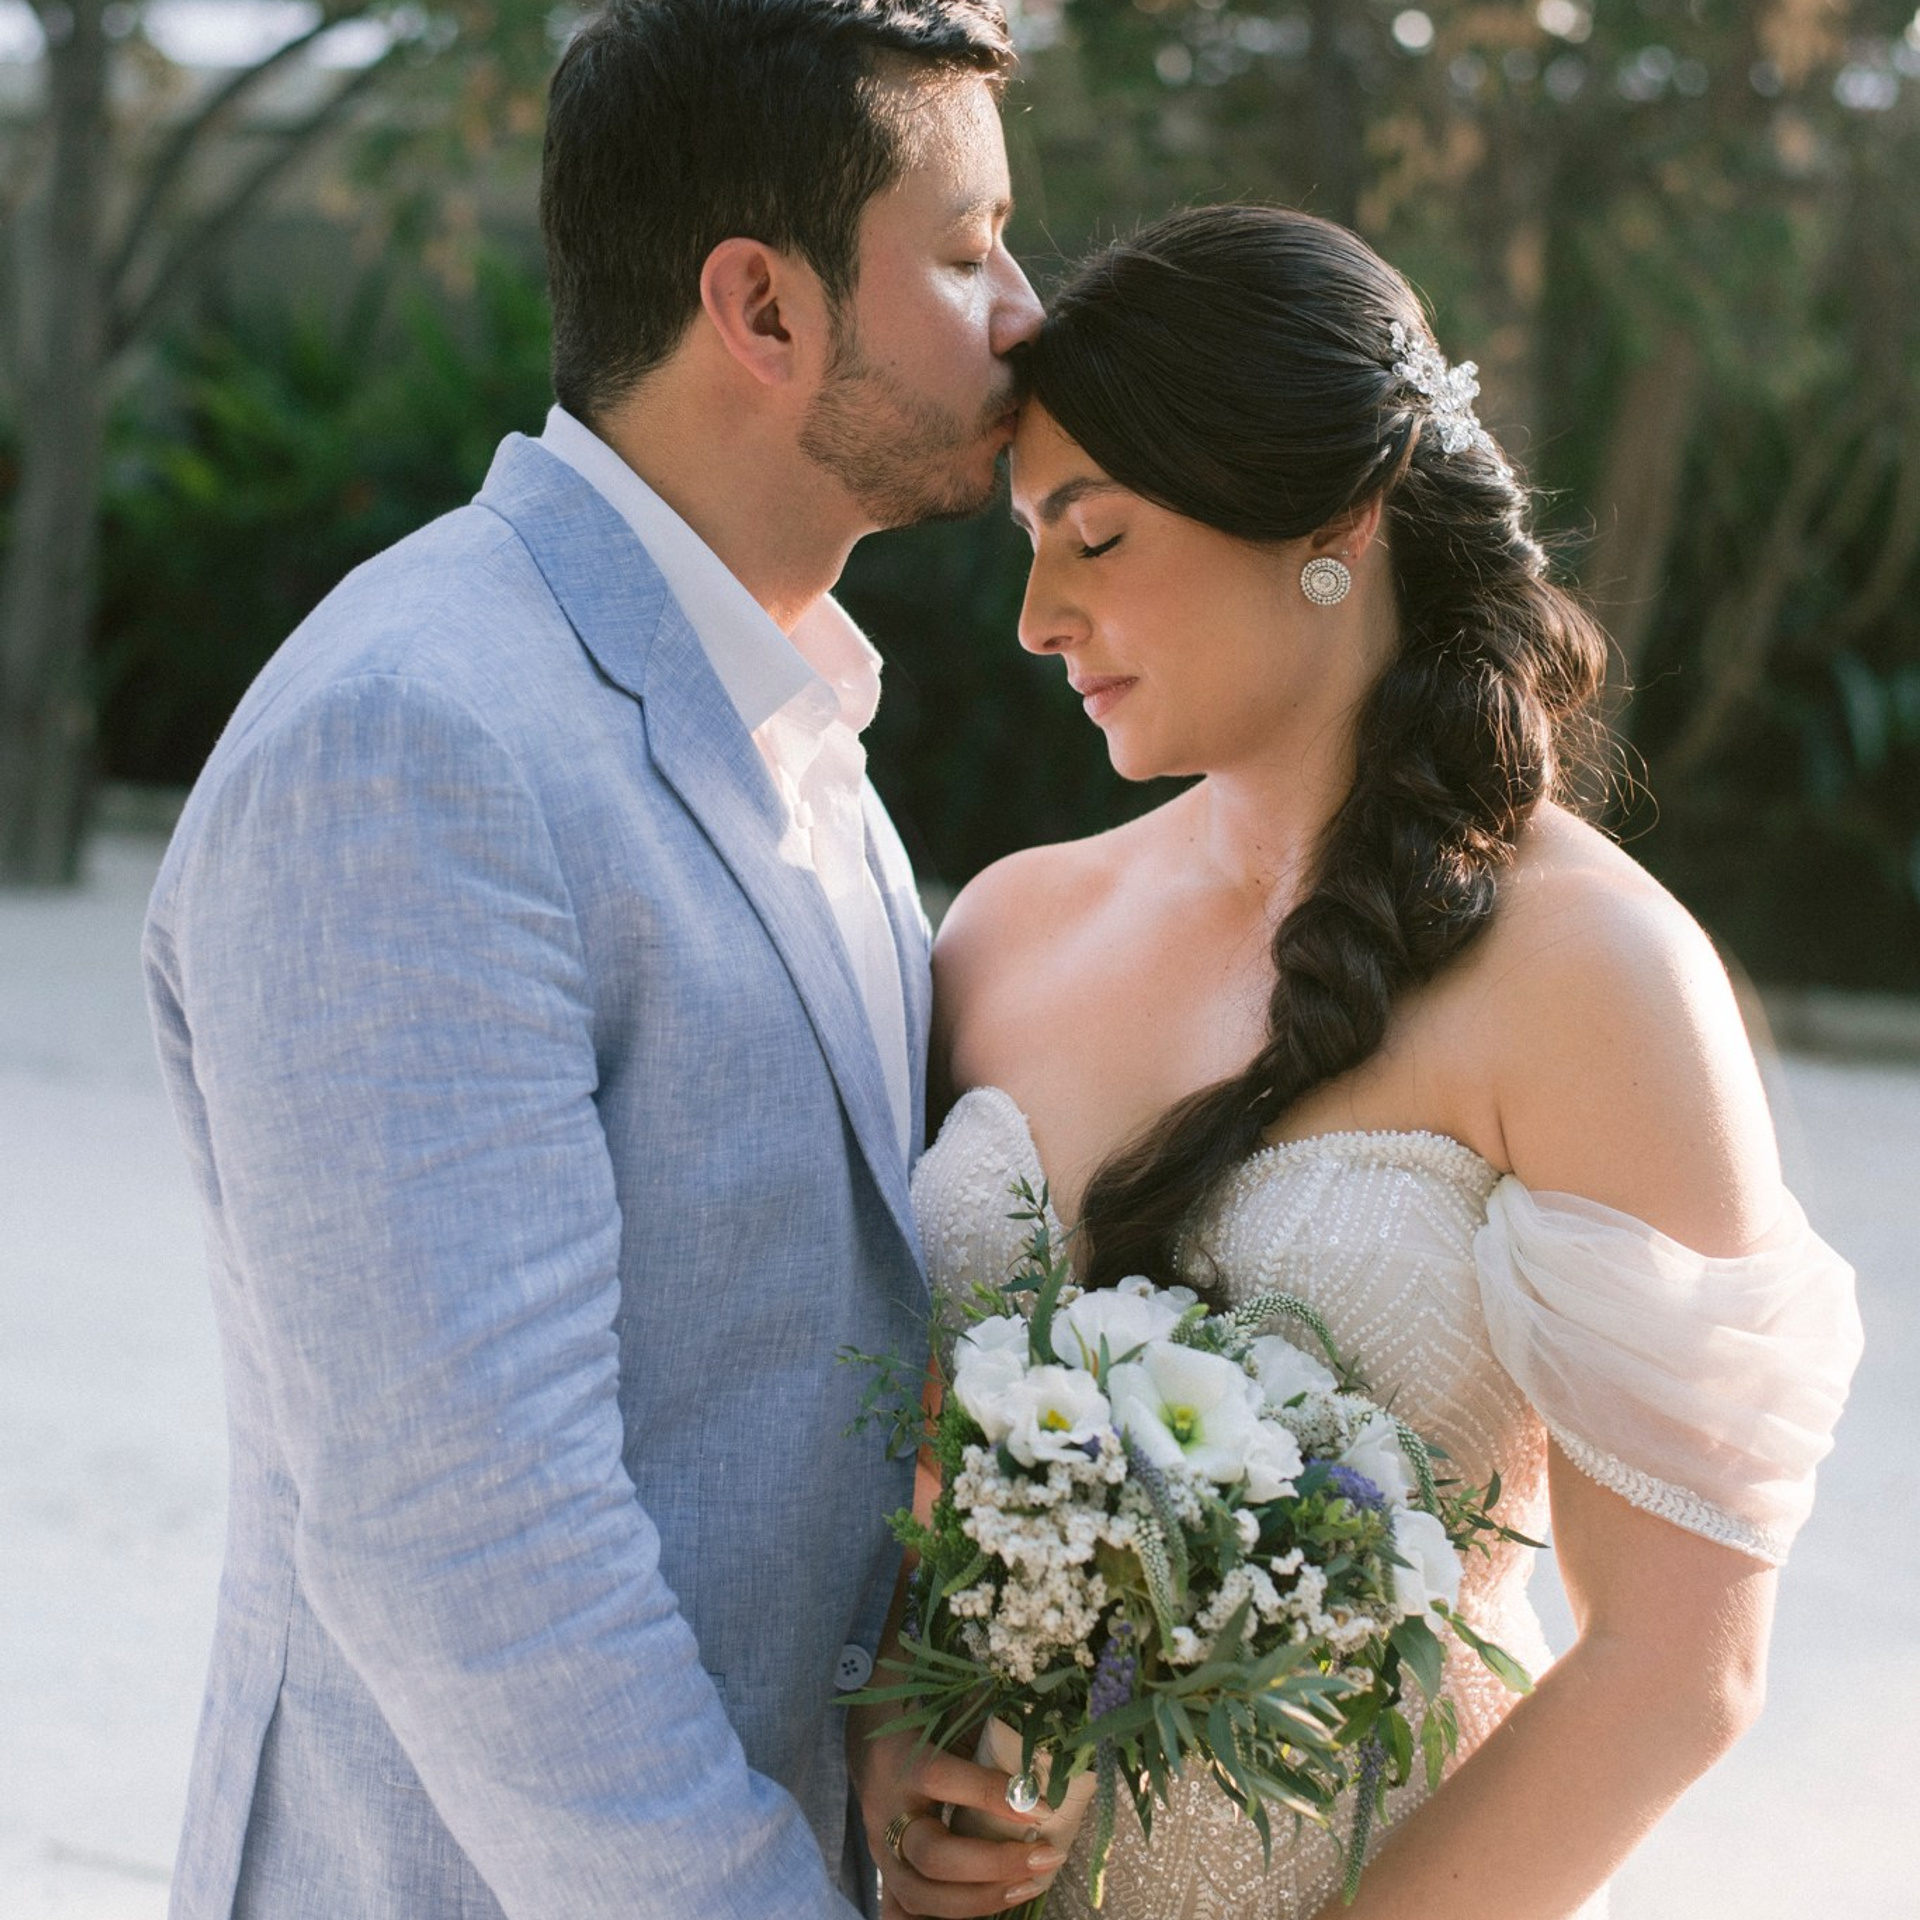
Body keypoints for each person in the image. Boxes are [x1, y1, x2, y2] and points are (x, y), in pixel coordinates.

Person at [140, 2, 1049, 1915]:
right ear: (764, 308)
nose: (1025, 310)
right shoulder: (414, 736)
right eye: (966, 254)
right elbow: (469, 1531)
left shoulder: (799, 727)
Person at [872, 205, 1862, 1919]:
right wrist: (900, 1736)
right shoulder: (1006, 934)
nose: (1036, 617)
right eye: (1028, 545)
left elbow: (1672, 1667)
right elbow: (911, 1464)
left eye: (1093, 539)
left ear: (1332, 526)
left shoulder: (1601, 981)